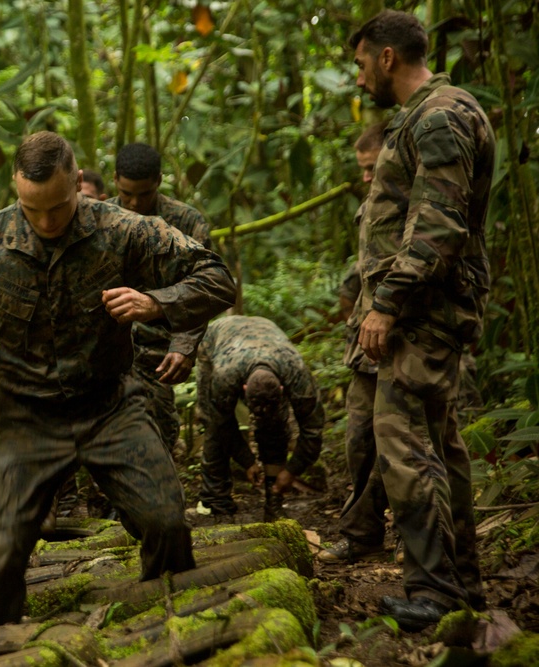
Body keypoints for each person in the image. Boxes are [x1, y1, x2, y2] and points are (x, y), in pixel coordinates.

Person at [0, 131, 236, 627]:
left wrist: (157, 303)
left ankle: (166, 630)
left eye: (59, 207)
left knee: (166, 523)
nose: (47, 222)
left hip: (108, 406)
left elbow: (218, 279)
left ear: (78, 182)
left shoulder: (124, 229)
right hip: (24, 413)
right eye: (33, 209)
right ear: (16, 189)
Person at [350, 10, 494, 630]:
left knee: (406, 446)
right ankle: (460, 585)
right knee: (438, 445)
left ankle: (436, 591)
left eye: (360, 65)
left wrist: (387, 303)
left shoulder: (438, 115)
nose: (359, 82)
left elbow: (439, 224)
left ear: (387, 58)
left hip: (422, 312)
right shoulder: (433, 114)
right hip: (424, 310)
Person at [318, 121, 396, 565]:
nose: (365, 177)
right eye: (362, 169)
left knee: (404, 444)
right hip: (365, 344)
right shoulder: (371, 205)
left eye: (371, 168)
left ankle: (416, 540)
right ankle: (363, 533)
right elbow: (362, 267)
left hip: (403, 339)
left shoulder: (413, 202)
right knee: (359, 440)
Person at [107, 142, 213, 453]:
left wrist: (184, 345)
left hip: (158, 349)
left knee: (159, 437)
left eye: (144, 193)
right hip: (107, 347)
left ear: (159, 181)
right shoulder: (99, 219)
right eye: (127, 194)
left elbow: (203, 288)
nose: (135, 202)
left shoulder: (187, 222)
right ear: (115, 180)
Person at [196, 316, 324, 523]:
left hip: (267, 337)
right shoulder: (225, 375)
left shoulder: (296, 373)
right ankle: (215, 500)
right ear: (243, 389)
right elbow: (222, 425)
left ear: (282, 389)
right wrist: (247, 461)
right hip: (216, 339)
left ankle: (274, 500)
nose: (258, 414)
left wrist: (291, 471)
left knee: (275, 424)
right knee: (213, 422)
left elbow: (313, 430)